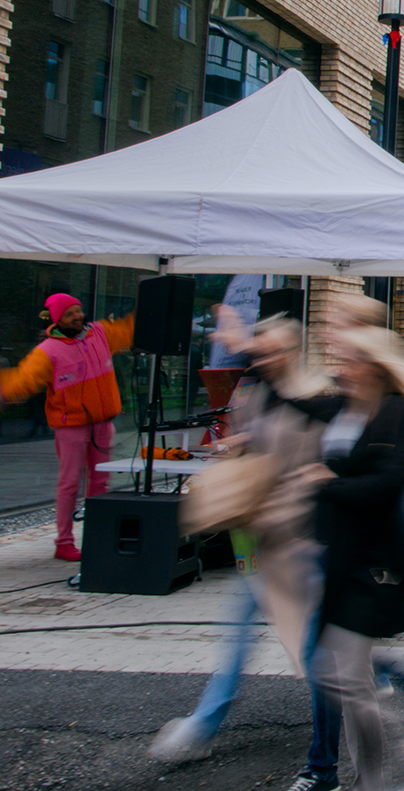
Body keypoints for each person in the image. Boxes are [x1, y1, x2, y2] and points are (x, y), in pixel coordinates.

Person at [150, 313, 330, 766]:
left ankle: (383, 697)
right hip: (265, 540)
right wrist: (241, 444)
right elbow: (266, 443)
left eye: (271, 350)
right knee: (253, 634)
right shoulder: (263, 392)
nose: (262, 357)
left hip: (298, 541)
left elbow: (312, 469)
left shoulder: (315, 396)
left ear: (291, 352)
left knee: (309, 645)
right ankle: (203, 725)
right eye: (258, 349)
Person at [302, 327, 404, 791]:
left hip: (375, 564)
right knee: (343, 677)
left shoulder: (394, 412)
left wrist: (327, 484)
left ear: (376, 367)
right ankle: (376, 775)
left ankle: (396, 758)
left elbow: (392, 480)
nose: (344, 367)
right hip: (339, 556)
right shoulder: (341, 406)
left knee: (347, 679)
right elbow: (293, 400)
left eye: (353, 359)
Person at [0, 293, 135, 561]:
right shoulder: (48, 351)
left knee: (101, 484)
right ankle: (64, 543)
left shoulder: (100, 333)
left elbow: (127, 330)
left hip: (103, 425)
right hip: (72, 427)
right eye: (69, 314)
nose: (77, 316)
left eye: (78, 310)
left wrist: (149, 311)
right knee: (69, 484)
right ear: (58, 320)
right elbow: (26, 379)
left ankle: (96, 537)